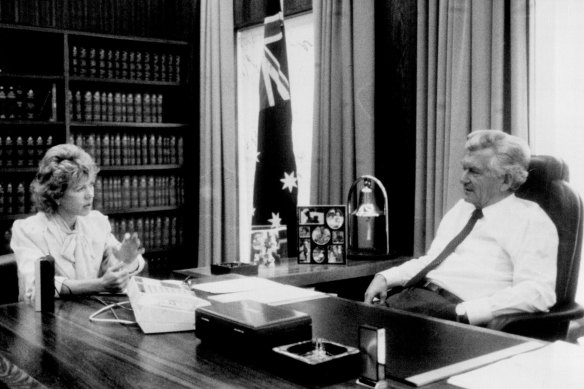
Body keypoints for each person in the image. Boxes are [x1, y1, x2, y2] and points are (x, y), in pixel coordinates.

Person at [364, 130, 558, 326]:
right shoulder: (463, 208)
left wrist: (468, 312)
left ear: (506, 180)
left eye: (474, 171)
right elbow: (434, 259)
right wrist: (386, 277)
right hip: (414, 300)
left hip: (452, 314)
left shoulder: (530, 220)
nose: (462, 179)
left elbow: (538, 292)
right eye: (464, 169)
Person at [10, 144, 145, 302]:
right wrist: (100, 285)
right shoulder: (28, 230)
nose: (90, 195)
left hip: (85, 314)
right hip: (43, 318)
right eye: (80, 189)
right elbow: (39, 286)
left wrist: (125, 259)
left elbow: (113, 270)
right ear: (57, 194)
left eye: (91, 185)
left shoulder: (96, 222)